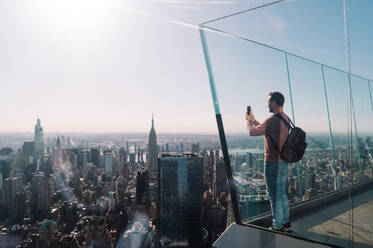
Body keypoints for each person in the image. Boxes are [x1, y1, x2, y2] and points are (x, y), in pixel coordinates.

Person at [245, 91, 291, 232]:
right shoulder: (285, 118)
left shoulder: (272, 120)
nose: (267, 104)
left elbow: (252, 132)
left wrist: (248, 121)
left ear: (275, 102)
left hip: (272, 163)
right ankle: (286, 223)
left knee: (273, 195)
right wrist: (254, 120)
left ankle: (277, 226)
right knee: (282, 194)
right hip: (283, 162)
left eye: (268, 102)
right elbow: (266, 129)